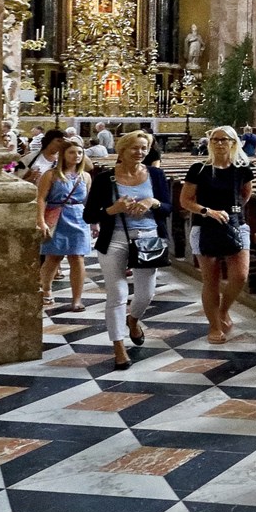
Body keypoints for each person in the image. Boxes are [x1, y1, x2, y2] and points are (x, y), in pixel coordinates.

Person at [85, 129, 170, 371]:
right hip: (115, 239)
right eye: (135, 147)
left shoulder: (155, 175)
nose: (140, 152)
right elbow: (89, 215)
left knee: (146, 294)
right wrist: (114, 209)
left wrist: (152, 202)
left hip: (149, 238)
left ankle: (133, 320)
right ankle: (119, 347)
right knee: (117, 294)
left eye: (144, 148)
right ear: (121, 150)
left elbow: (168, 208)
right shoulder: (105, 179)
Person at [181, 125, 253, 343]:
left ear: (233, 143)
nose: (220, 143)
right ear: (210, 143)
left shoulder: (242, 169)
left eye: (224, 139)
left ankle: (223, 310)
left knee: (240, 276)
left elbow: (245, 195)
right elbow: (185, 201)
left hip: (236, 225)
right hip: (204, 227)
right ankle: (214, 326)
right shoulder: (199, 169)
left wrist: (231, 213)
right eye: (215, 139)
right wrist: (208, 211)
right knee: (211, 279)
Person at [36, 135, 93, 311]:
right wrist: (41, 221)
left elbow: (87, 201)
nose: (76, 156)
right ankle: (45, 290)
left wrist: (94, 222)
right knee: (53, 257)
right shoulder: (51, 175)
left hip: (78, 217)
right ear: (63, 155)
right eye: (72, 152)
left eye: (79, 153)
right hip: (56, 215)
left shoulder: (85, 176)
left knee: (77, 257)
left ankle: (77, 299)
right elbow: (41, 198)